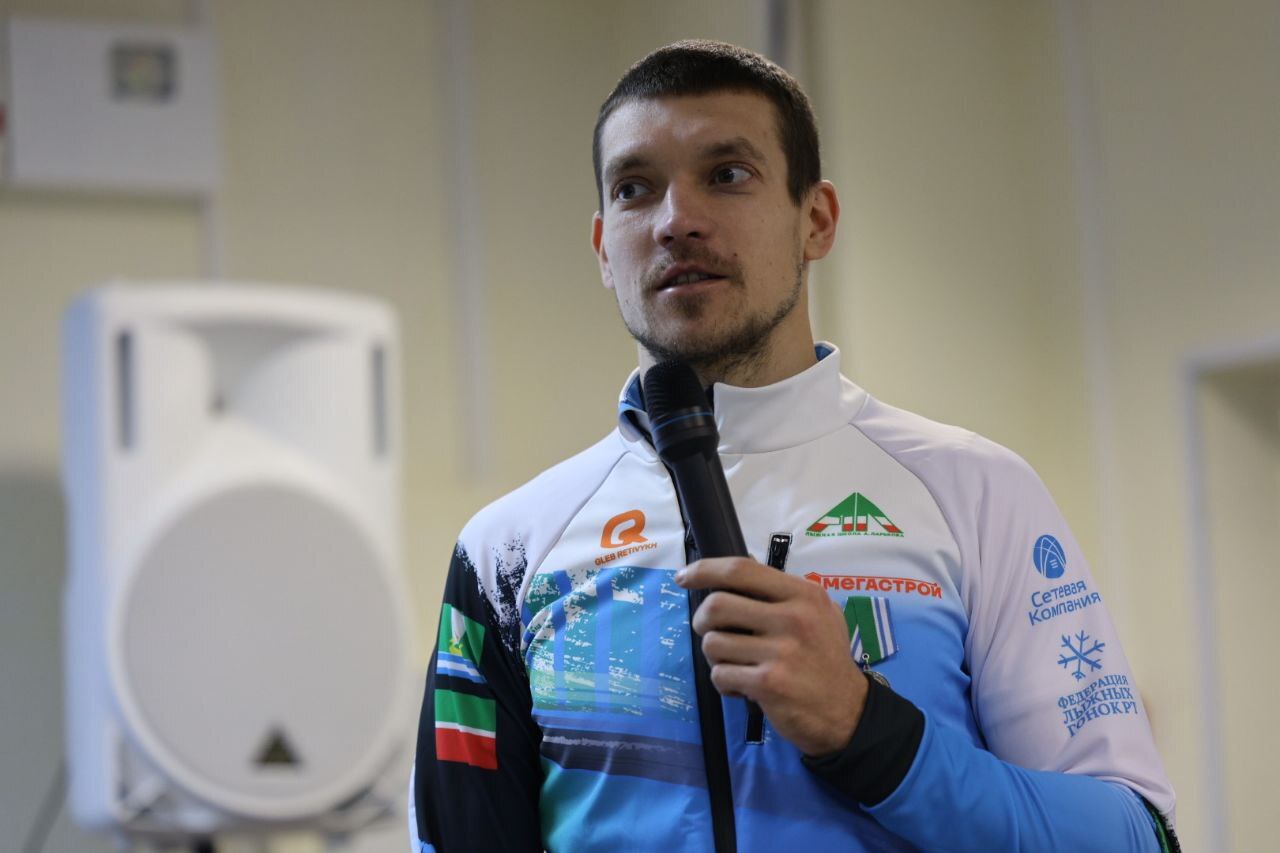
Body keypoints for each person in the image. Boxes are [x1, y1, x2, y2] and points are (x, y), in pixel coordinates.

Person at [409, 40, 1178, 852]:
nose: (675, 220)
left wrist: (867, 729)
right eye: (636, 188)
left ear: (816, 220)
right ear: (604, 247)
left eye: (727, 174)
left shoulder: (975, 491)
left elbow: (1137, 837)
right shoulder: (507, 549)